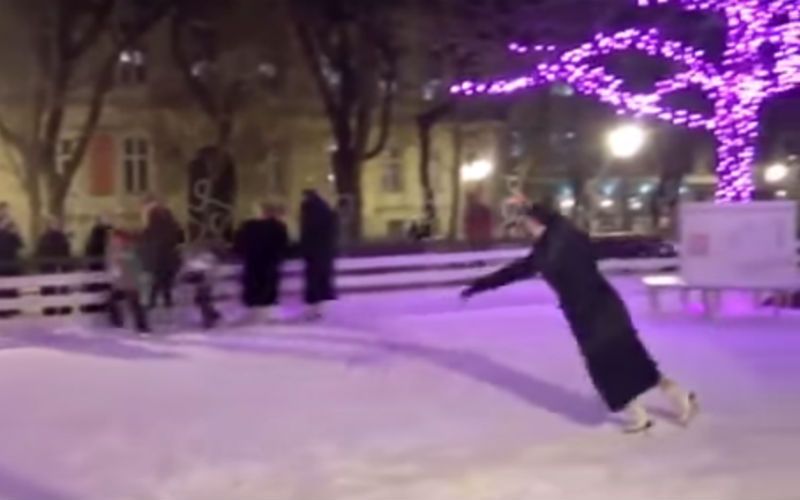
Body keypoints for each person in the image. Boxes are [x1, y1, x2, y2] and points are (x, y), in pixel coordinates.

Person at [461, 203, 697, 433]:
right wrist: (479, 286)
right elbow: (512, 272)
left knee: (625, 361)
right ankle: (643, 412)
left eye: (527, 223)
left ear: (538, 221)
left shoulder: (572, 242)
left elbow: (613, 247)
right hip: (585, 313)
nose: (525, 228)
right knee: (609, 365)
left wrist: (648, 245)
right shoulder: (543, 253)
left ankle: (673, 400)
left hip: (602, 308)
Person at [234, 202, 290, 322]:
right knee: (268, 288)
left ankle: (254, 312)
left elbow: (239, 245)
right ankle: (267, 313)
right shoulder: (278, 227)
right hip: (270, 265)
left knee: (254, 288)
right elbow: (283, 246)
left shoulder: (247, 227)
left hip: (253, 265)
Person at [299, 190, 338, 320]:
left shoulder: (308, 210)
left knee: (313, 281)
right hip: (325, 252)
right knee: (323, 280)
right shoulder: (327, 211)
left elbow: (306, 233)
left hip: (312, 253)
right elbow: (333, 231)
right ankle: (320, 310)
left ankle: (313, 310)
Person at [106, 228, 150, 334]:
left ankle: (142, 326)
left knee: (134, 304)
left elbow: (132, 262)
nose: (114, 241)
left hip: (131, 282)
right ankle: (118, 322)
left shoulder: (129, 248)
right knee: (113, 301)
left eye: (116, 239)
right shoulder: (117, 249)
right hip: (123, 282)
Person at [140, 203, 183, 310]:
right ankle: (166, 300)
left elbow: (145, 239)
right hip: (170, 256)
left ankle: (154, 301)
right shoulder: (173, 225)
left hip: (160, 256)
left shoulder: (153, 227)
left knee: (158, 279)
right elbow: (180, 239)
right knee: (165, 280)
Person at [34, 217, 73, 315]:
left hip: (59, 266)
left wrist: (65, 264)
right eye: (52, 223)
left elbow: (66, 251)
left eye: (56, 223)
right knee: (49, 289)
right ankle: (50, 309)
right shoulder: (45, 237)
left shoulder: (61, 236)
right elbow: (41, 252)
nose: (54, 225)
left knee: (63, 288)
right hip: (49, 267)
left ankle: (64, 308)